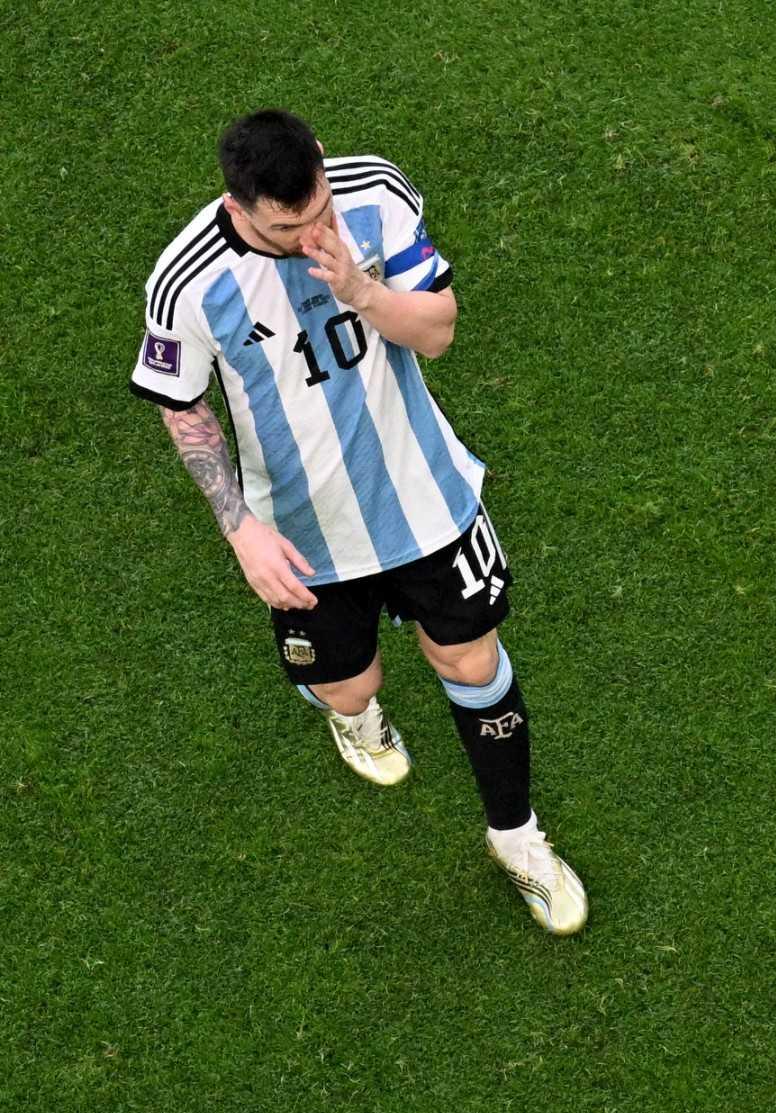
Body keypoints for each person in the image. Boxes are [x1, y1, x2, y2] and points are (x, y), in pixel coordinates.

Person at [129, 109, 586, 935]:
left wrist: (361, 289)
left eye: (320, 211)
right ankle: (354, 717)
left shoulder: (373, 191)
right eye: (288, 227)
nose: (314, 234)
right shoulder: (186, 280)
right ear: (240, 212)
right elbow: (182, 405)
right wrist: (238, 527)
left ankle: (516, 838)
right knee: (349, 683)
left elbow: (437, 332)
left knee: (469, 658)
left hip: (425, 498)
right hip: (304, 533)